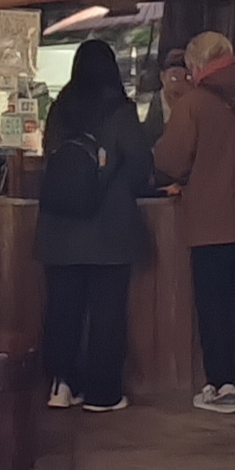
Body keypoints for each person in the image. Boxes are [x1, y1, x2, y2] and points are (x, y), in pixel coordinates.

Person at [156, 30, 235, 415]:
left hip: (210, 224)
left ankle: (223, 387)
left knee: (214, 307)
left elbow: (170, 161)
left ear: (196, 65)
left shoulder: (192, 104)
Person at [36, 42, 156, 413]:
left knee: (62, 309)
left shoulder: (59, 110)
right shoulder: (121, 112)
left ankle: (61, 385)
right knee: (107, 312)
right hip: (110, 229)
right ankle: (103, 393)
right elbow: (139, 169)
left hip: (59, 228)